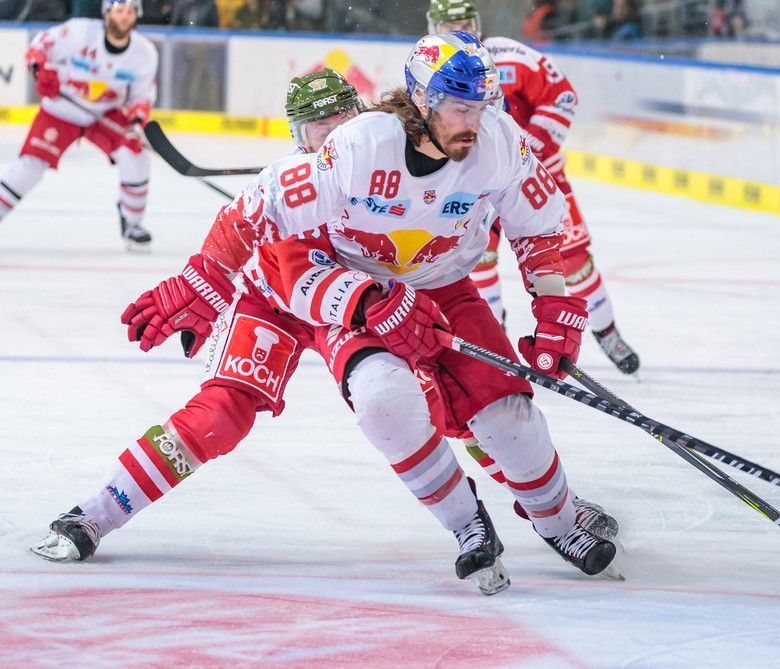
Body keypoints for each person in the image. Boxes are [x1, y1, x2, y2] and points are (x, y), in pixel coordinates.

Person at [33, 36, 619, 592]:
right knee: (224, 412)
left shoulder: (397, 152)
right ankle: (97, 512)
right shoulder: (331, 172)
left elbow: (536, 220)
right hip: (291, 300)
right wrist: (205, 281)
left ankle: (550, 506)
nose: (330, 137)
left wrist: (557, 305)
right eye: (317, 129)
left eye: (341, 120)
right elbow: (289, 269)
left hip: (388, 287)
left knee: (474, 401)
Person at [427, 0, 641, 376]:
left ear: (477, 23)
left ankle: (606, 331)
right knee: (475, 260)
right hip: (476, 184)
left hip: (535, 176)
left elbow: (562, 97)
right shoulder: (427, 70)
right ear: (433, 28)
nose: (458, 32)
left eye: (464, 23)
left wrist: (527, 148)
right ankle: (493, 338)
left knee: (571, 261)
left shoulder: (512, 57)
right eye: (448, 26)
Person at [0, 0, 157, 250]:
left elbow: (141, 97)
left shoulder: (145, 53)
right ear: (106, 13)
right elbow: (38, 48)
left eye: (130, 11)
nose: (124, 17)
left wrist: (136, 124)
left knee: (135, 155)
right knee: (30, 166)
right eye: (119, 10)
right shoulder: (79, 31)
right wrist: (40, 71)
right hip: (61, 110)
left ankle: (133, 224)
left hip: (105, 114)